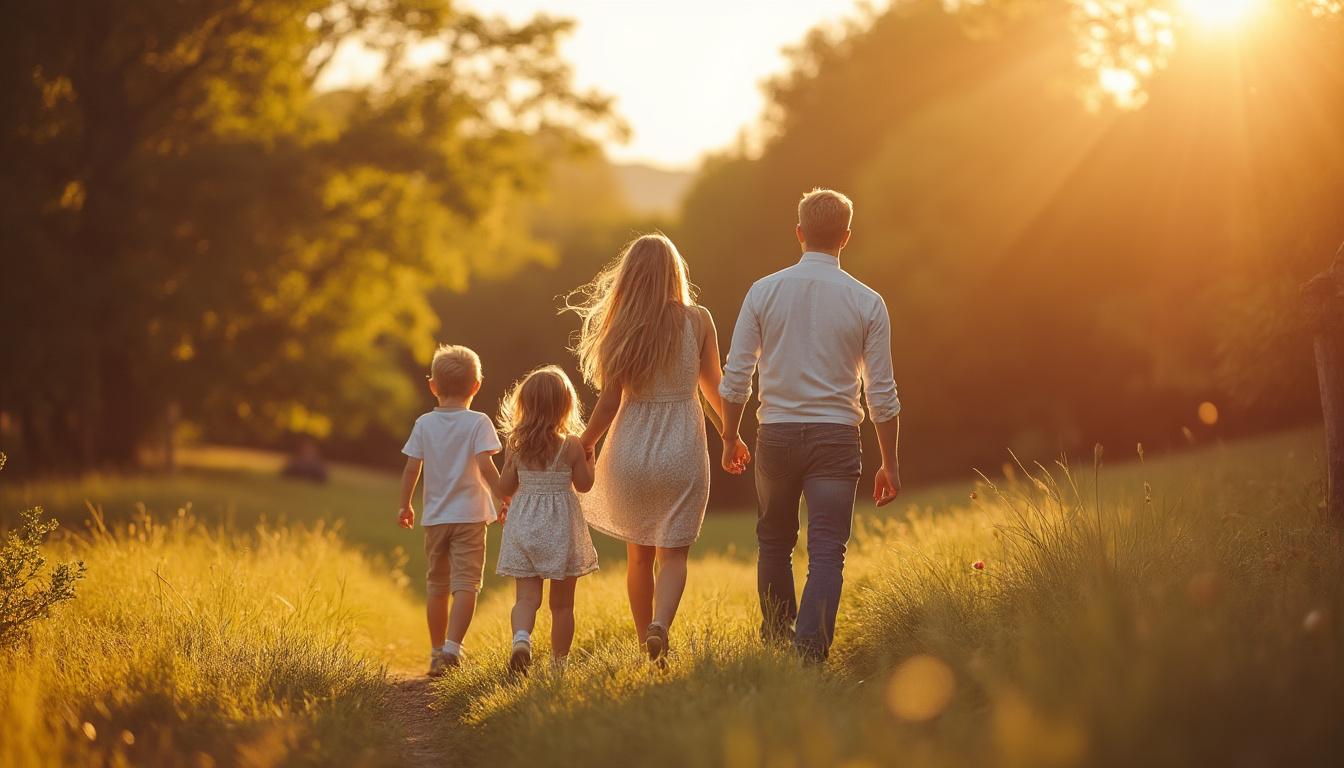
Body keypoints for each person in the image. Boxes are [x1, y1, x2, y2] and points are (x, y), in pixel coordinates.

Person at [719, 188, 902, 663]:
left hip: (776, 434)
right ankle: (808, 654)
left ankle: (778, 644)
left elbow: (737, 376)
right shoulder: (869, 302)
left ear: (799, 233)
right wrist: (890, 462)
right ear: (846, 236)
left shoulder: (764, 291)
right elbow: (880, 393)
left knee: (774, 542)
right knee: (826, 549)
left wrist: (729, 435)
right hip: (837, 439)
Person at [568, 233, 750, 665]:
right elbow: (713, 387)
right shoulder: (698, 319)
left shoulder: (623, 325)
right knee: (673, 555)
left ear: (629, 276)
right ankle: (660, 626)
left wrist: (586, 443)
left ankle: (645, 649)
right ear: (675, 273)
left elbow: (610, 402)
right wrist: (731, 434)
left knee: (638, 557)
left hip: (630, 449)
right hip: (682, 449)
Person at [397, 344, 505, 677]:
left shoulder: (424, 424)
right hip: (470, 517)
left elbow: (412, 468)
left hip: (435, 518)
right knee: (466, 585)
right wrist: (502, 497)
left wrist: (405, 505)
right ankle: (453, 649)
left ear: (433, 386)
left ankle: (434, 653)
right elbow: (486, 466)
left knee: (437, 586)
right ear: (476, 385)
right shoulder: (478, 423)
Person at [495, 365, 599, 676]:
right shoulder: (571, 445)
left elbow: (505, 488)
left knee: (526, 598)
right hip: (560, 528)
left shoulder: (516, 443)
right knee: (563, 605)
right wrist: (589, 461)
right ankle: (558, 666)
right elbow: (583, 484)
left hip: (525, 524)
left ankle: (521, 641)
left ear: (524, 405)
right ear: (566, 406)